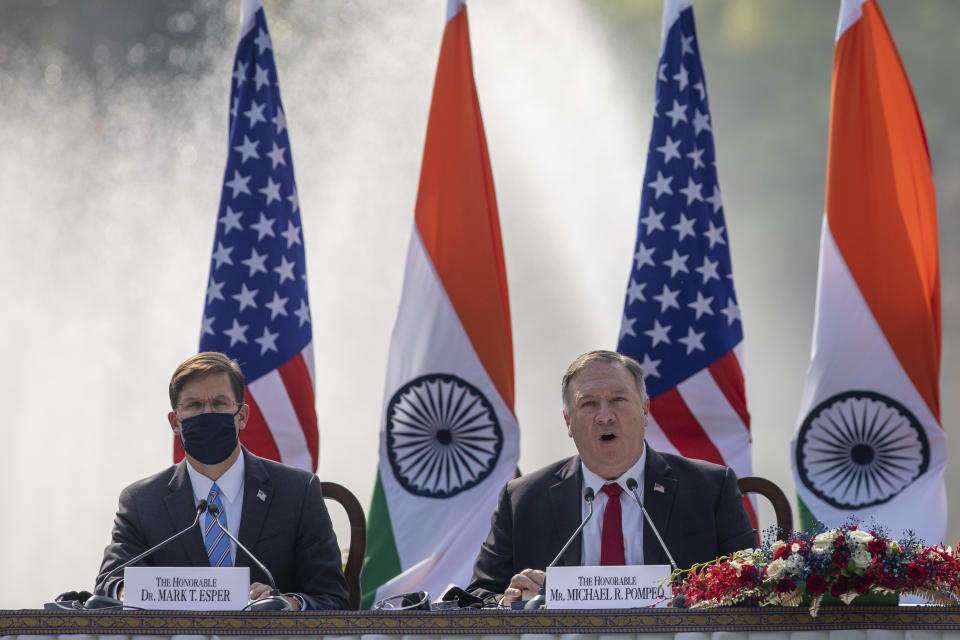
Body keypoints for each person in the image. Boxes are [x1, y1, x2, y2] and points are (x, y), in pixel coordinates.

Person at [467, 350, 755, 606]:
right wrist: (508, 600)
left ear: (644, 410)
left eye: (618, 399)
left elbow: (753, 586)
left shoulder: (709, 489)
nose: (605, 416)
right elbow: (478, 596)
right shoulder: (522, 500)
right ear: (568, 422)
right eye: (589, 404)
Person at [95, 352, 349, 610]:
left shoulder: (297, 492)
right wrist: (133, 593)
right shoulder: (142, 502)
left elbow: (332, 597)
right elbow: (110, 583)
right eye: (194, 406)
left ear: (242, 416)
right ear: (175, 422)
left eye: (219, 403)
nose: (207, 414)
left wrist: (287, 604)